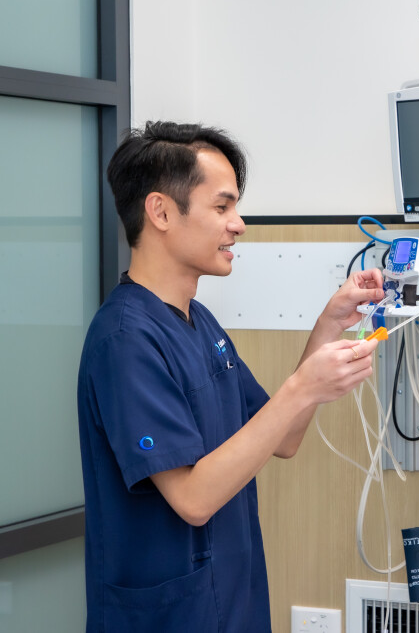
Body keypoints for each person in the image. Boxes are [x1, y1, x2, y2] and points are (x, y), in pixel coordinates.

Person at [76, 121, 384, 632]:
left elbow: (282, 438)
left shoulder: (199, 323)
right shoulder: (125, 340)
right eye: (222, 207)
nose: (238, 225)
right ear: (161, 212)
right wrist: (303, 386)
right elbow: (193, 500)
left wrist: (329, 325)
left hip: (233, 602)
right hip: (168, 617)